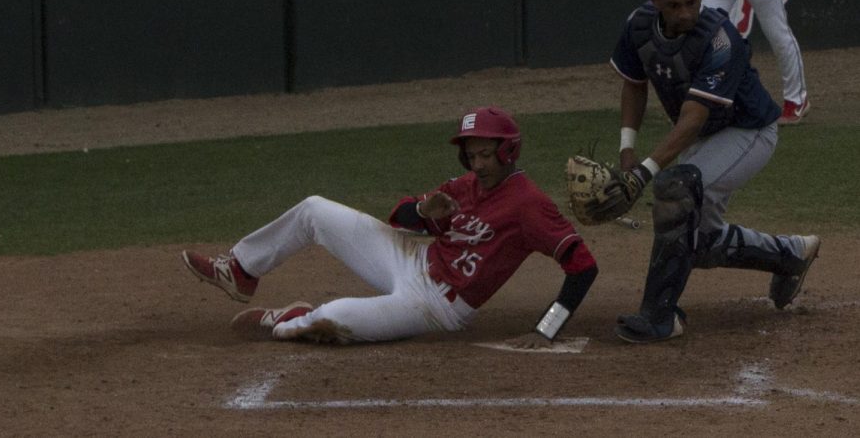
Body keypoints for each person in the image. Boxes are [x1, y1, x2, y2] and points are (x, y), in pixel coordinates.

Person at [182, 106, 598, 346]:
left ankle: (288, 321)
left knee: (332, 319)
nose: (478, 163)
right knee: (314, 210)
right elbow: (397, 217)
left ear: (508, 152)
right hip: (411, 257)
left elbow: (583, 265)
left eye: (487, 154)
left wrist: (548, 328)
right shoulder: (464, 185)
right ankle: (239, 270)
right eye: (472, 155)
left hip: (437, 305)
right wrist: (424, 212)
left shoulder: (528, 204)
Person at [608, 0, 820, 344]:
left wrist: (645, 172)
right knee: (698, 242)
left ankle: (659, 316)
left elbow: (693, 119)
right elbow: (635, 82)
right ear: (655, 0)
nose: (686, 13)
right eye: (674, 5)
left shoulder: (720, 38)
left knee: (675, 192)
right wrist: (627, 151)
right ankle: (790, 255)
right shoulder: (638, 26)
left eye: (692, 2)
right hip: (707, 136)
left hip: (748, 132)